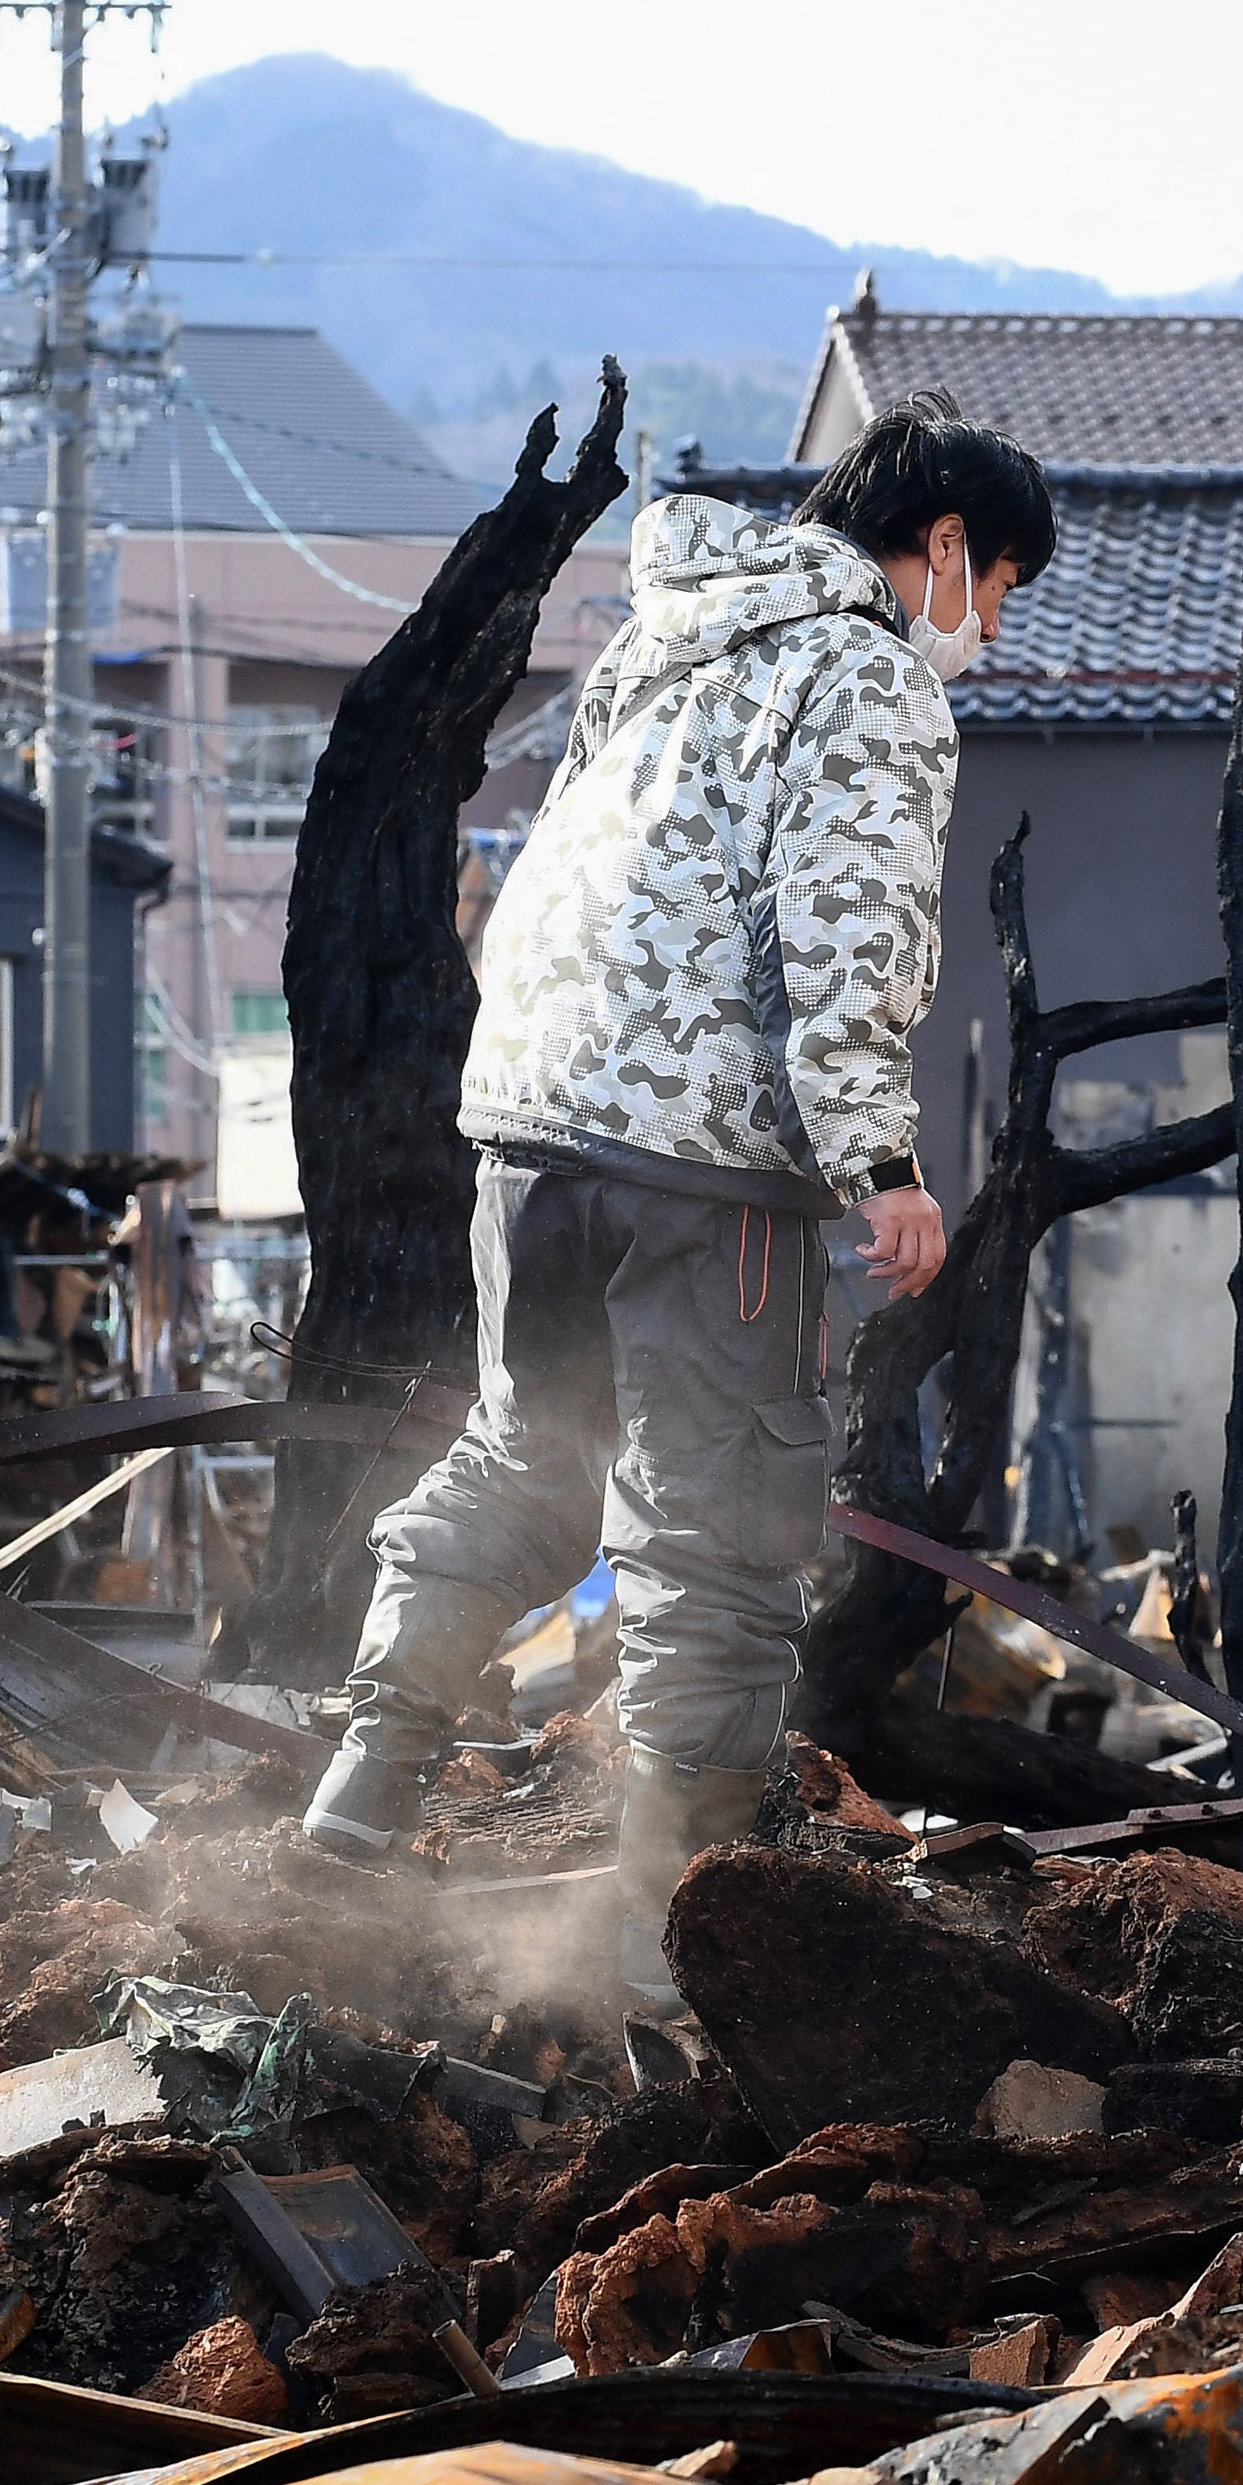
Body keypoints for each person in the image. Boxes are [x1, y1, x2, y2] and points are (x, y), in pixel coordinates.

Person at [303, 393, 1055, 2009]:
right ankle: (660, 1941)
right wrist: (881, 1161)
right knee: (722, 1538)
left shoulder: (663, 648)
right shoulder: (863, 674)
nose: (984, 626)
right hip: (705, 1169)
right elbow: (843, 927)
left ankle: (355, 1798)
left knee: (527, 1458)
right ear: (938, 547)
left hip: (530, 1134)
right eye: (992, 588)